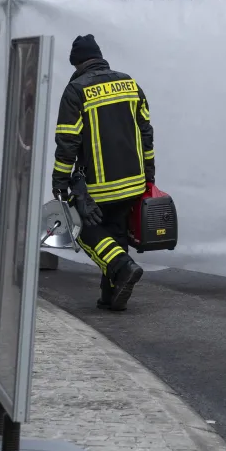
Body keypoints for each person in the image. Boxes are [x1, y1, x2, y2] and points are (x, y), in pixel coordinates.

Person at [51, 35, 149, 311]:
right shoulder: (130, 84)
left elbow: (67, 142)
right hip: (133, 179)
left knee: (79, 228)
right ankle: (112, 296)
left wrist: (59, 182)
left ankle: (122, 266)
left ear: (76, 63)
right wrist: (149, 175)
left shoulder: (76, 90)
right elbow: (146, 134)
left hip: (99, 184)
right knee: (116, 233)